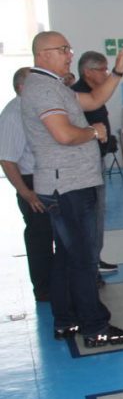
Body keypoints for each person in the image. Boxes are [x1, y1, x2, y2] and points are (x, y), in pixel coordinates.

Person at [20, 31, 123, 347]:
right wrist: (93, 131)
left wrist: (118, 71)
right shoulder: (43, 89)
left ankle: (66, 320)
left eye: (69, 49)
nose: (70, 54)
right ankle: (95, 326)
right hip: (68, 186)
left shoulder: (54, 86)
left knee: (67, 257)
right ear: (43, 54)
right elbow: (64, 134)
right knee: (84, 258)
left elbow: (95, 99)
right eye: (63, 50)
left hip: (67, 183)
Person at [0, 67, 53, 302]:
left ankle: (55, 282)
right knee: (39, 237)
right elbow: (7, 159)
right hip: (30, 181)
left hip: (46, 178)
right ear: (22, 88)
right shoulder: (14, 114)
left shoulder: (32, 109)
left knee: (50, 235)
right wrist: (27, 193)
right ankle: (43, 289)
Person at [72, 51, 118, 276]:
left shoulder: (94, 93)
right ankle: (90, 265)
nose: (106, 74)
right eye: (102, 70)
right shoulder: (77, 95)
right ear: (88, 72)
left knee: (99, 213)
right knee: (91, 214)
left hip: (96, 160)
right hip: (84, 165)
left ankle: (95, 258)